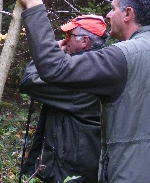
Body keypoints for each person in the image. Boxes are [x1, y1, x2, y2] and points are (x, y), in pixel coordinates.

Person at [14, 0, 150, 182]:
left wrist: (33, 4)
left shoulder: (123, 57)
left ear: (128, 14)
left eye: (113, 8)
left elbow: (53, 68)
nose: (108, 15)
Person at [20, 15, 107, 182]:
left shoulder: (80, 76)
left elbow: (29, 81)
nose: (65, 41)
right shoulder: (100, 66)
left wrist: (50, 56)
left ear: (85, 42)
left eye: (70, 36)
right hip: (85, 162)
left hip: (71, 169)